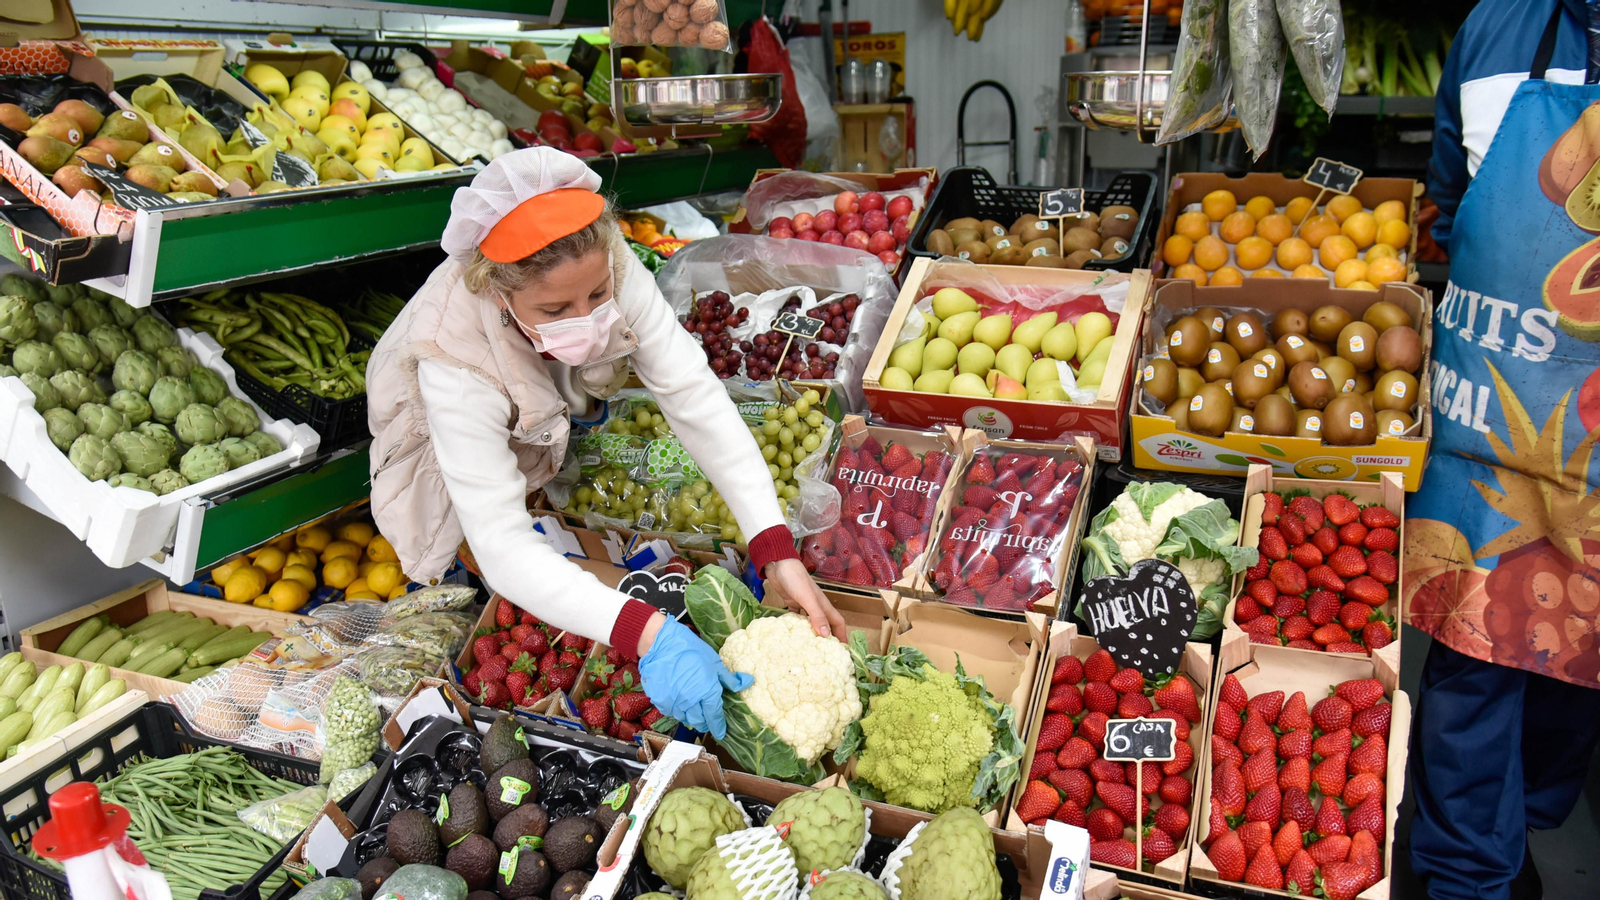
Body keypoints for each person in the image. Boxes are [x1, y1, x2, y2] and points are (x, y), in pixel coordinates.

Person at [366, 148, 845, 739]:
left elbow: (693, 395)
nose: (587, 316)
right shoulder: (455, 361)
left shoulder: (609, 260)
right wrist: (650, 634)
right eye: (555, 308)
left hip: (540, 424)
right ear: (498, 294)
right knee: (467, 563)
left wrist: (776, 546)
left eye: (596, 296)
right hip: (440, 460)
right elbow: (501, 545)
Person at [1406, 2, 1600, 898]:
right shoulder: (1496, 27)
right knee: (1473, 656)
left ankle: (1520, 827)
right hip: (1491, 423)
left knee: (1576, 662)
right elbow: (1450, 197)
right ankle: (1463, 873)